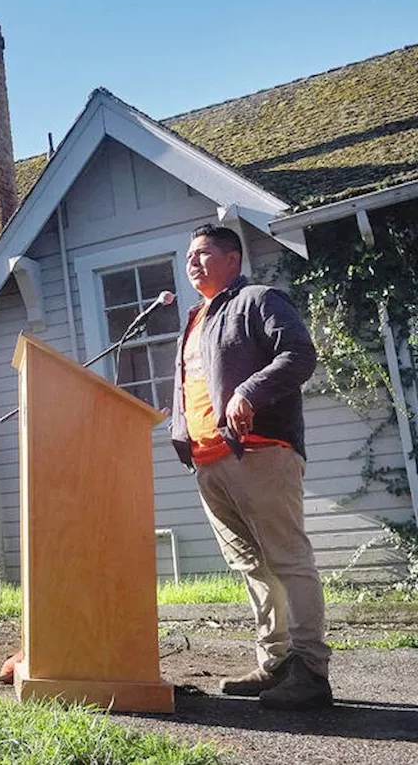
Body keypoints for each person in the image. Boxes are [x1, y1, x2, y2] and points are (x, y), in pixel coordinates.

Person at [172, 224, 329, 711]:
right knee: (252, 566)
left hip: (259, 451)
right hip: (208, 460)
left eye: (203, 254)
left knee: (287, 559)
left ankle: (310, 671)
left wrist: (248, 392)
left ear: (232, 259)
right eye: (189, 257)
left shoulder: (260, 299)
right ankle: (275, 663)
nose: (192, 263)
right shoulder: (196, 317)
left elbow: (300, 354)